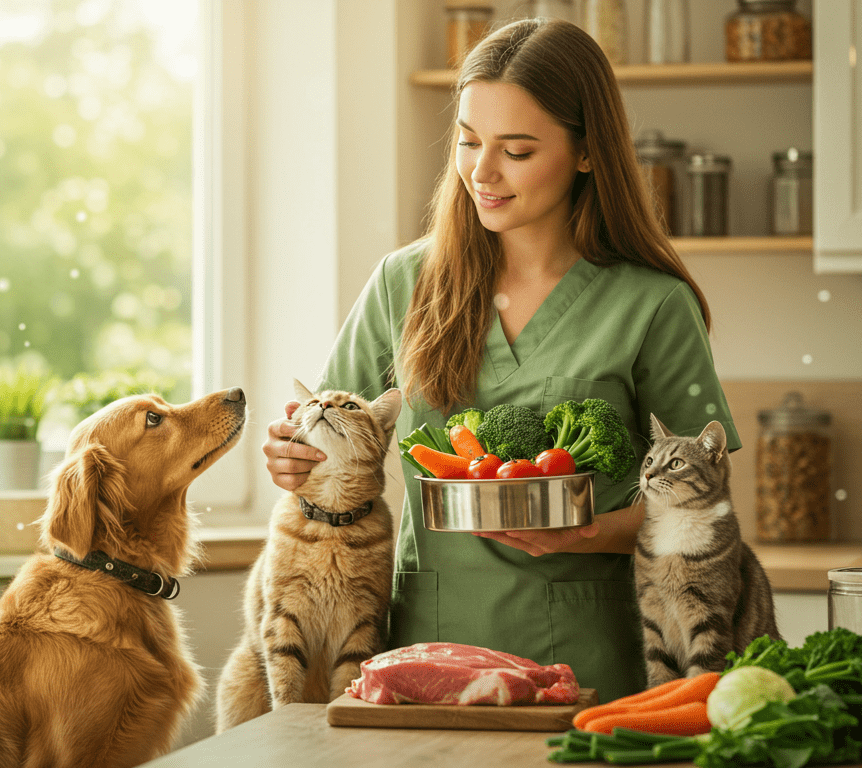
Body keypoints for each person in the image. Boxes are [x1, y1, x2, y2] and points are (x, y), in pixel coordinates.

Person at [261, 18, 740, 703]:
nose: (482, 172)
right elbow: (331, 446)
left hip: (588, 668)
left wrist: (590, 534)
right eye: (468, 141)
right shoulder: (403, 283)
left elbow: (707, 508)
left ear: (585, 152)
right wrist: (289, 459)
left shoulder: (653, 305)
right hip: (423, 660)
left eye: (516, 150)